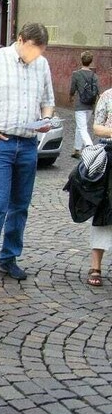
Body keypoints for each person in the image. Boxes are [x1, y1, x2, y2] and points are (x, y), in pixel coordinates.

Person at [0, 22, 55, 285]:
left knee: (20, 205)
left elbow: (47, 102)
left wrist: (46, 120)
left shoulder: (41, 65)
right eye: (32, 49)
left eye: (40, 51)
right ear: (20, 40)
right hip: (0, 145)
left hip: (28, 144)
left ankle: (9, 258)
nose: (35, 56)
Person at [86, 89, 112, 286]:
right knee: (104, 211)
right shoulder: (108, 96)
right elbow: (97, 128)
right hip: (110, 157)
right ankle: (96, 266)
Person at [69, 50, 99, 159]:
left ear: (81, 60)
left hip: (80, 105)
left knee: (82, 128)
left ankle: (90, 147)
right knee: (80, 126)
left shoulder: (76, 74)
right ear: (90, 62)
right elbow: (98, 91)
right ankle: (77, 149)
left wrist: (71, 97)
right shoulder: (94, 75)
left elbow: (73, 88)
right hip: (90, 105)